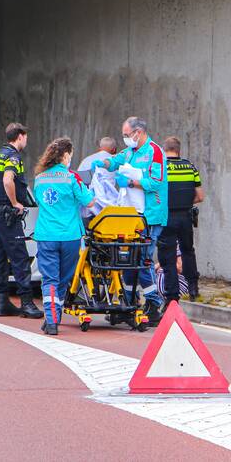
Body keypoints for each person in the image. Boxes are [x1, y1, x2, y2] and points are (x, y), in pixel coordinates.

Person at [92, 116, 167, 326]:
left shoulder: (155, 152)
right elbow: (115, 161)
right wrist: (103, 162)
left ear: (138, 133)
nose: (125, 139)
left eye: (127, 135)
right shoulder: (129, 152)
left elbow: (156, 182)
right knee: (127, 260)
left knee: (142, 261)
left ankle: (153, 304)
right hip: (131, 216)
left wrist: (131, 182)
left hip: (150, 215)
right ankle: (127, 301)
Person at [32, 137, 95, 335]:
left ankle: (51, 320)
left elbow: (39, 201)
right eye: (71, 155)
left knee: (49, 278)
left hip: (46, 234)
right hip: (69, 236)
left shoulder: (39, 178)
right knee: (62, 279)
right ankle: (54, 317)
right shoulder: (72, 177)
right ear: (66, 155)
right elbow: (90, 202)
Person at [0, 122, 43, 319]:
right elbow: (8, 180)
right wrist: (15, 202)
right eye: (25, 137)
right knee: (19, 256)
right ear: (20, 136)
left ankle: (3, 302)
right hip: (8, 213)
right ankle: (27, 302)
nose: (26, 140)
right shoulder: (13, 156)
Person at [158, 136, 204, 305]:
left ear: (164, 150)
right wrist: (184, 202)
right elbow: (200, 196)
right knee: (187, 251)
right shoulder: (190, 167)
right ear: (178, 150)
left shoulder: (161, 168)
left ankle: (172, 296)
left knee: (168, 257)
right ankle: (193, 288)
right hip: (185, 216)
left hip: (166, 217)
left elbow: (155, 193)